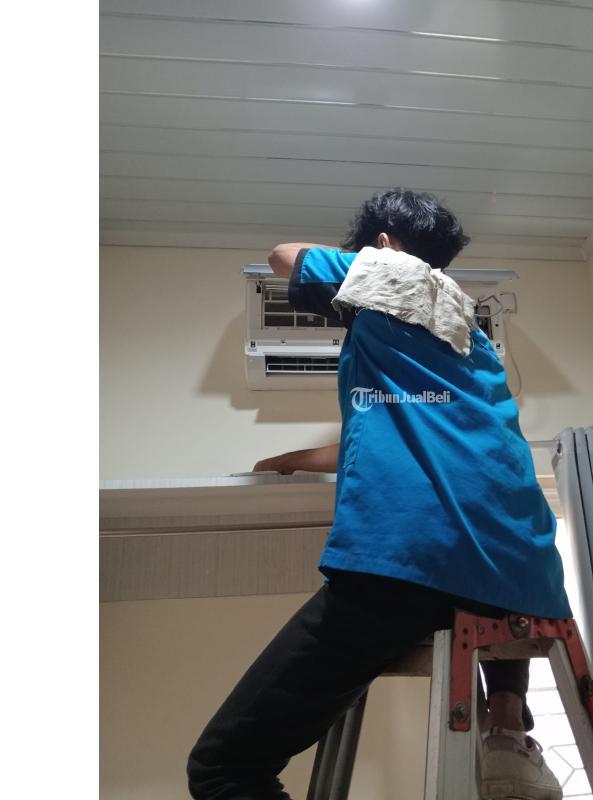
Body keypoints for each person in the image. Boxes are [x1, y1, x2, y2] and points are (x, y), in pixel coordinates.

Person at [187, 188, 571, 800]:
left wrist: (379, 257)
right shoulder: (470, 339)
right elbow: (401, 430)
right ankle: (506, 730)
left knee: (223, 770)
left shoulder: (391, 279)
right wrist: (294, 461)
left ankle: (503, 723)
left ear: (384, 247)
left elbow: (284, 254)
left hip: (412, 565)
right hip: (525, 572)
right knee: (494, 579)